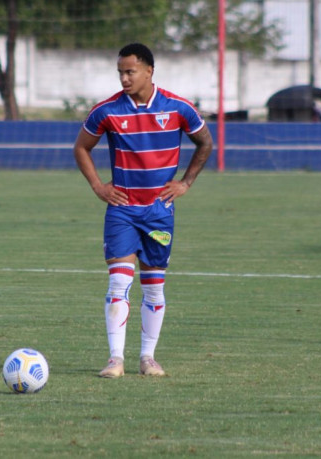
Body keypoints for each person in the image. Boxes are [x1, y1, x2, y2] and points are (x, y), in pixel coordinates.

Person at [73, 43, 213, 378]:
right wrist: (98, 186)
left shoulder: (179, 107)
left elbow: (205, 142)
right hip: (122, 209)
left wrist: (185, 183)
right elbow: (81, 147)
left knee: (153, 285)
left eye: (130, 71)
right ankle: (115, 359)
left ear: (149, 71)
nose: (124, 78)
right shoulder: (106, 111)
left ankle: (148, 358)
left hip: (159, 211)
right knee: (119, 281)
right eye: (120, 71)